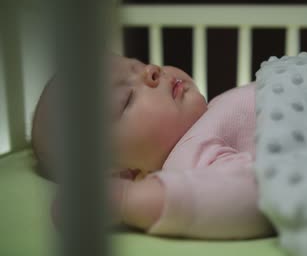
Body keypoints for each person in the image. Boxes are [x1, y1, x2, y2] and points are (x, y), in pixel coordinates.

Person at [31, 55, 274, 239]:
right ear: (124, 174)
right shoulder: (187, 157)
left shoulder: (213, 114)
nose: (152, 71)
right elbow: (259, 191)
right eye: (126, 99)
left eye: (139, 65)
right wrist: (127, 201)